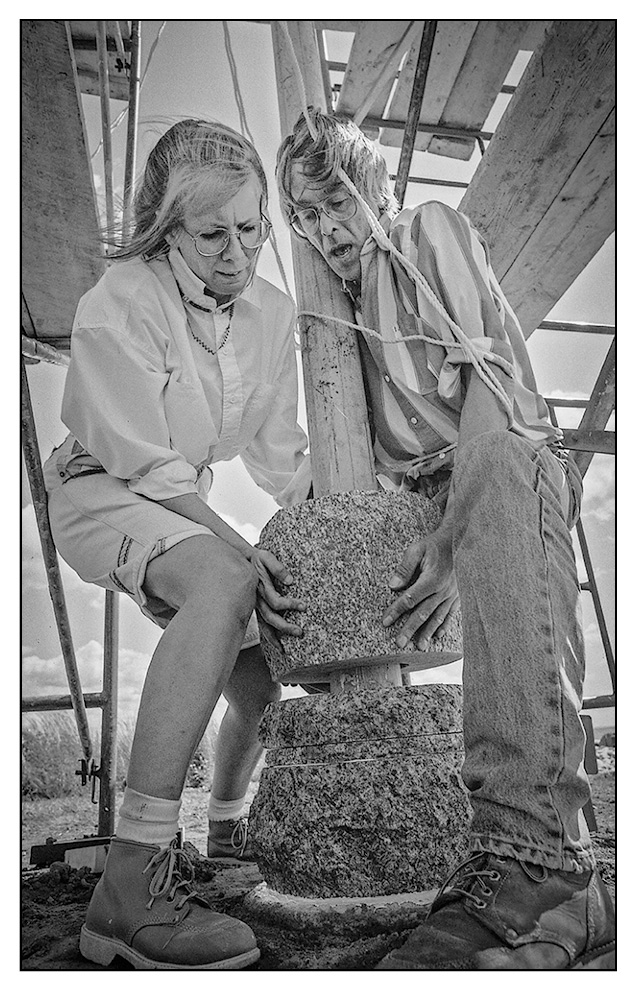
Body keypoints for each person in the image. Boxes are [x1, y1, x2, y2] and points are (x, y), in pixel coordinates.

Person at [275, 109, 615, 971]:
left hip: (505, 455)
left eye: (337, 202)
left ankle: (551, 869)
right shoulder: (339, 318)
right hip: (441, 492)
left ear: (377, 189)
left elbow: (493, 401)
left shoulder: (426, 232)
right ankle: (507, 862)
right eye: (307, 218)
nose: (326, 229)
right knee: (485, 662)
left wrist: (454, 540)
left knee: (515, 631)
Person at [43, 118, 312, 970]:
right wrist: (239, 550)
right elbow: (147, 466)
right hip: (101, 485)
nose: (239, 253)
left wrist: (353, 531)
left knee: (267, 630)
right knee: (231, 579)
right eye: (212, 233)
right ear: (168, 230)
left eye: (252, 227)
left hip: (176, 494)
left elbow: (284, 460)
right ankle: (130, 883)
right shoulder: (120, 302)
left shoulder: (270, 315)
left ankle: (228, 837)